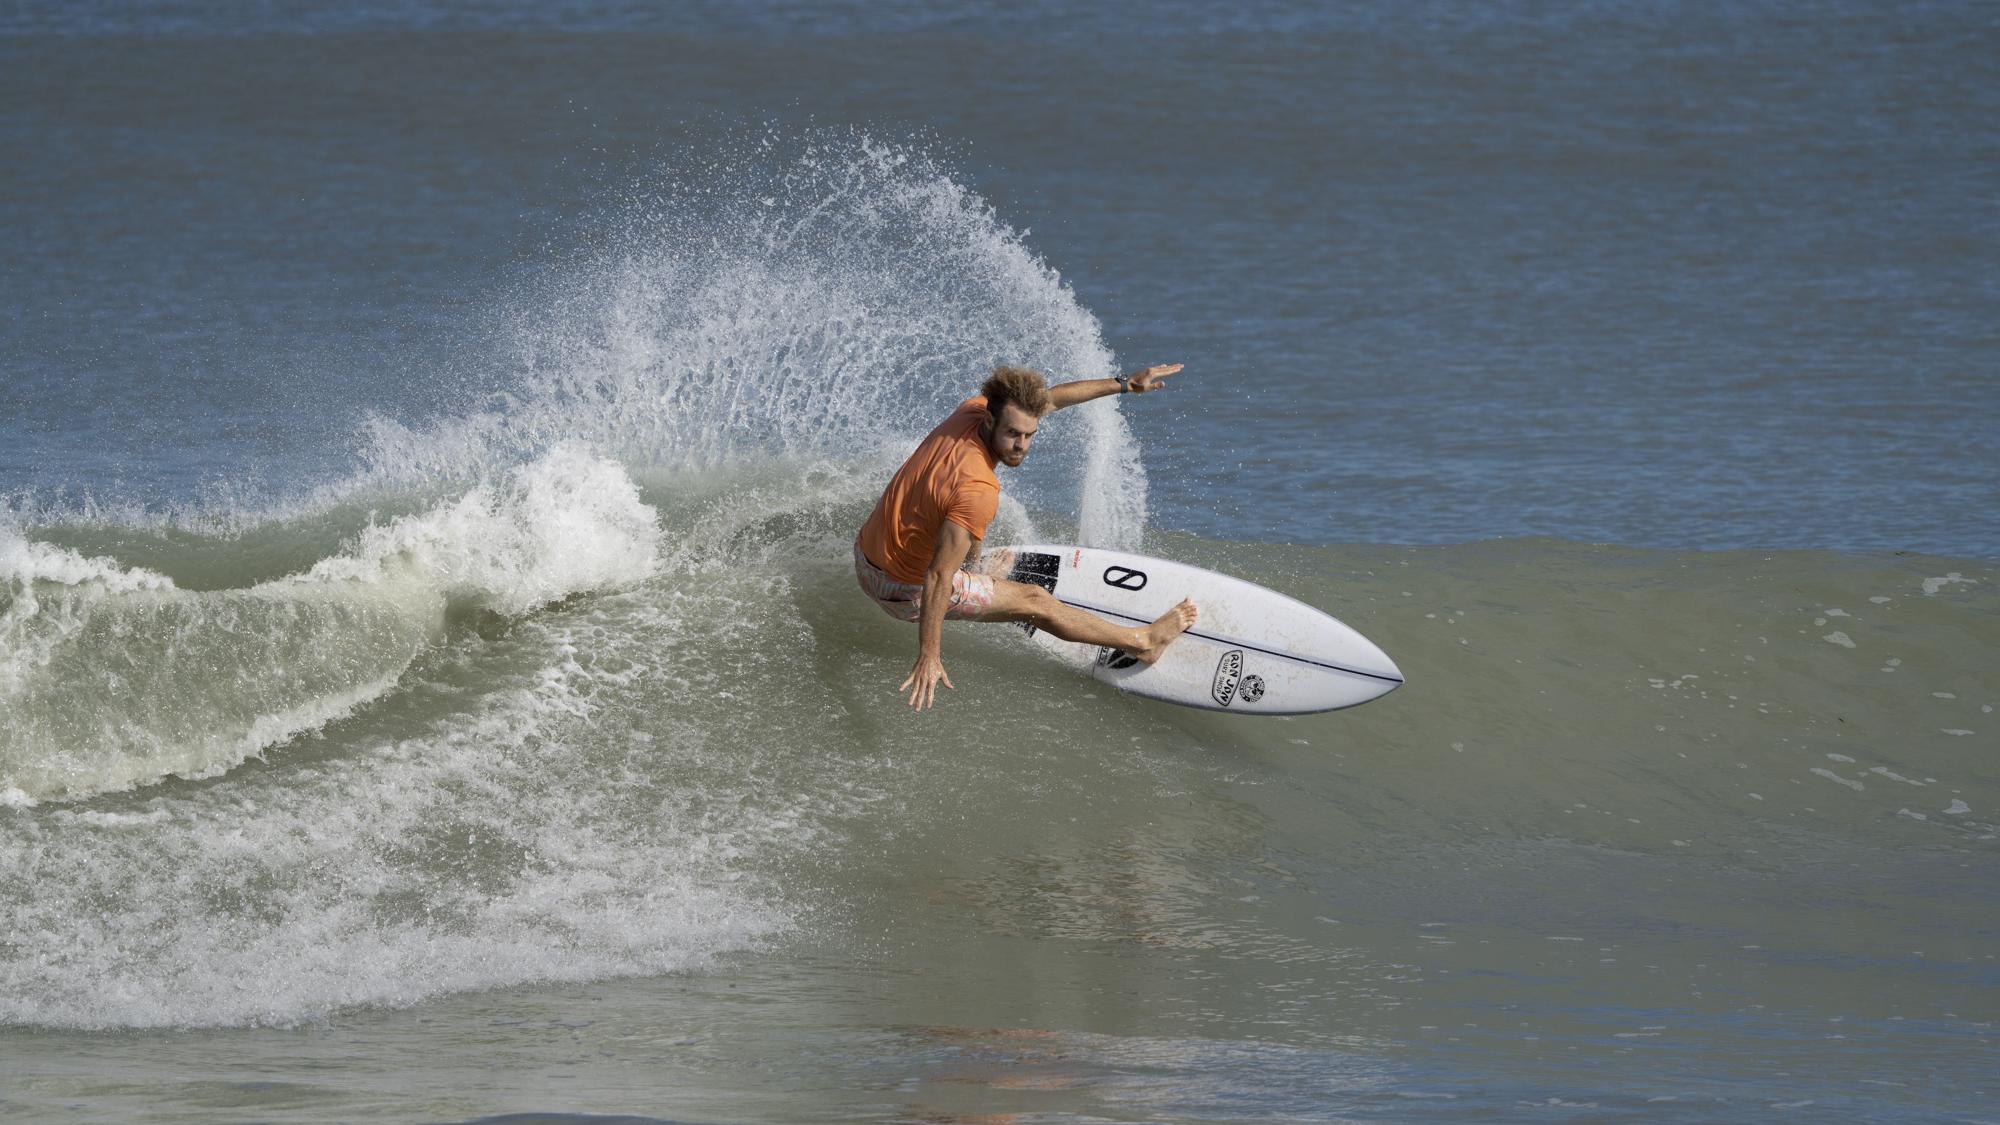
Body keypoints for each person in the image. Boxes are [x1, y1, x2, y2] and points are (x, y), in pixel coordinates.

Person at [855, 362, 1198, 710]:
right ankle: (1142, 641)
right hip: (900, 591)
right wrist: (929, 654)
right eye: (1013, 434)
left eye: (1029, 435)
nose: (1021, 445)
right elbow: (938, 575)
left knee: (966, 517)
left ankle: (975, 573)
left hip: (866, 556)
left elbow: (1050, 400)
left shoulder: (971, 412)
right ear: (990, 422)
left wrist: (1125, 385)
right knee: (1035, 600)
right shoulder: (976, 487)